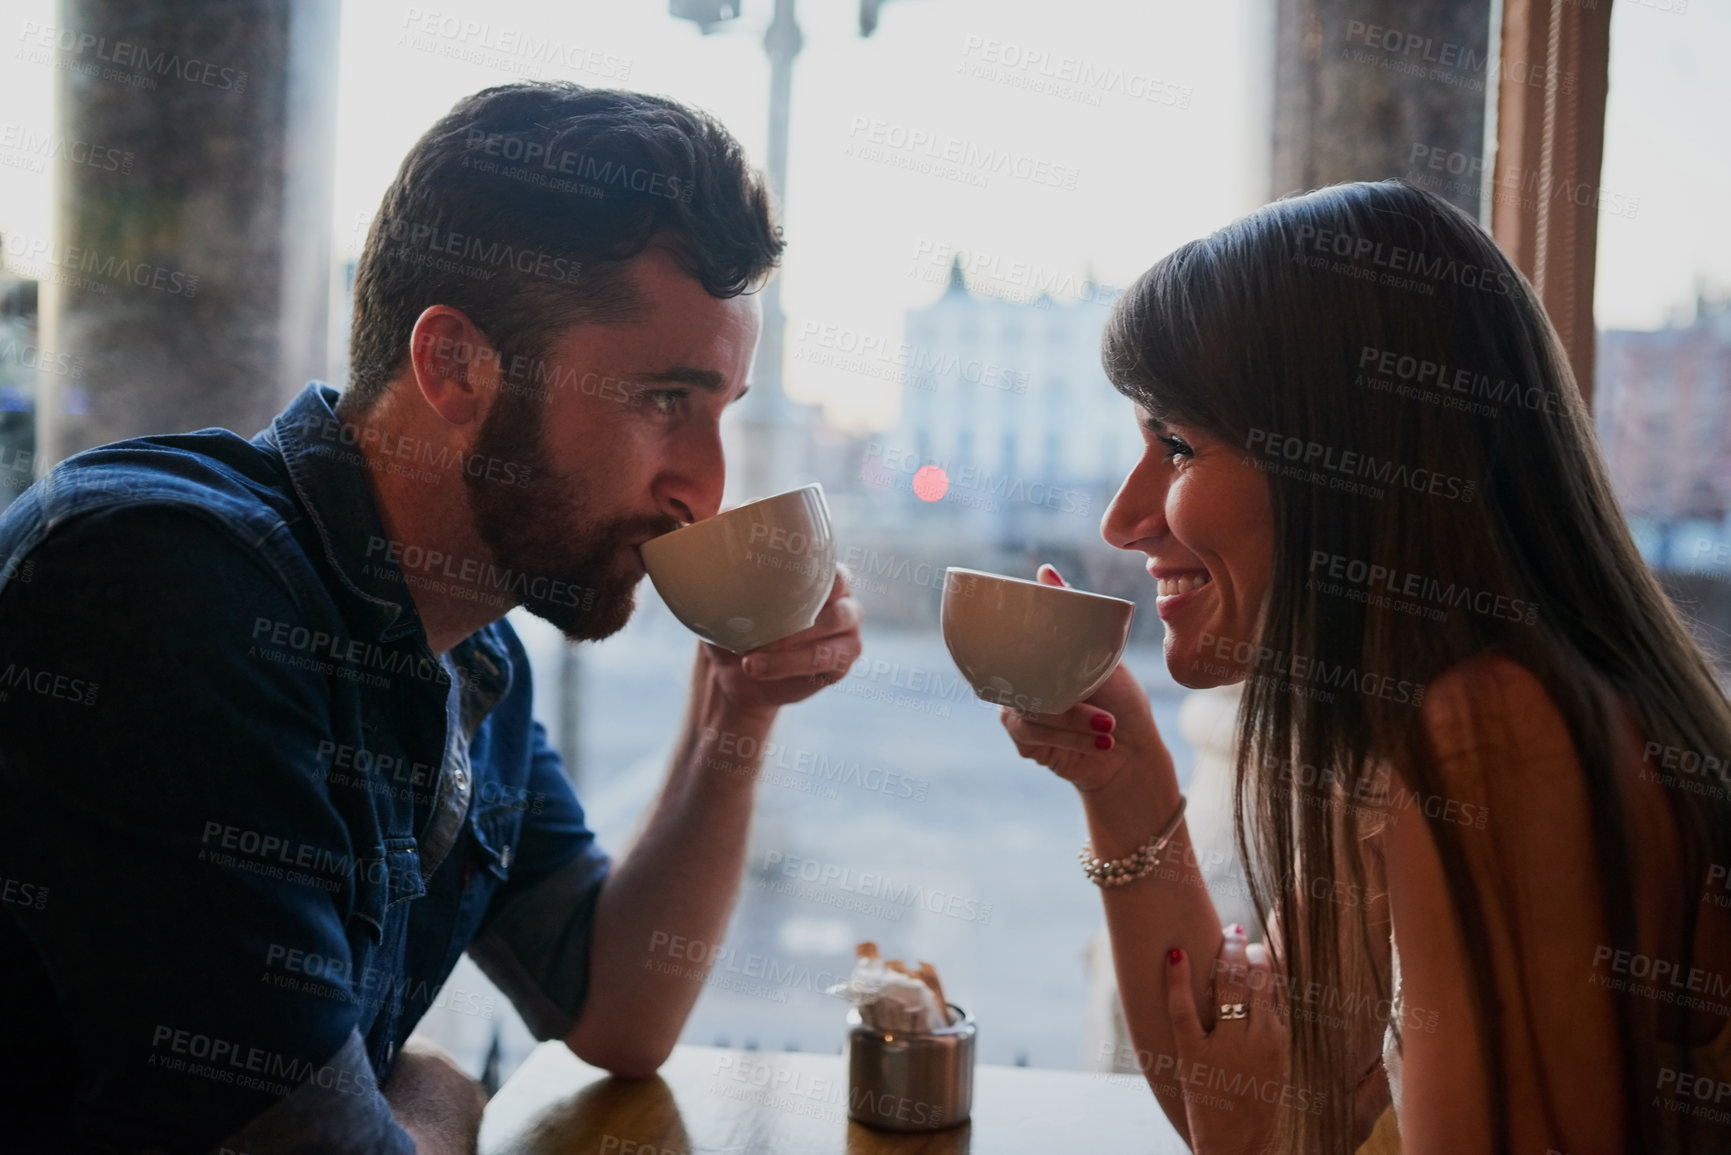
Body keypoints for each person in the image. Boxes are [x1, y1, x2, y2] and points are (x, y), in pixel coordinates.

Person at [0, 82, 862, 1154]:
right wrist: (443, 1089)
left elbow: (613, 1011)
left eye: (720, 410)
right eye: (662, 401)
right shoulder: (163, 585)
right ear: (453, 366)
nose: (706, 489)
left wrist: (735, 716)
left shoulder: (469, 647)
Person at [999, 181, 1731, 1153]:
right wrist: (1122, 772)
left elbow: (1251, 1127)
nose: (1121, 521)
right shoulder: (1425, 734)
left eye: (1174, 445)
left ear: (1340, 460)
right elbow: (1241, 1073)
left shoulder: (1493, 742)